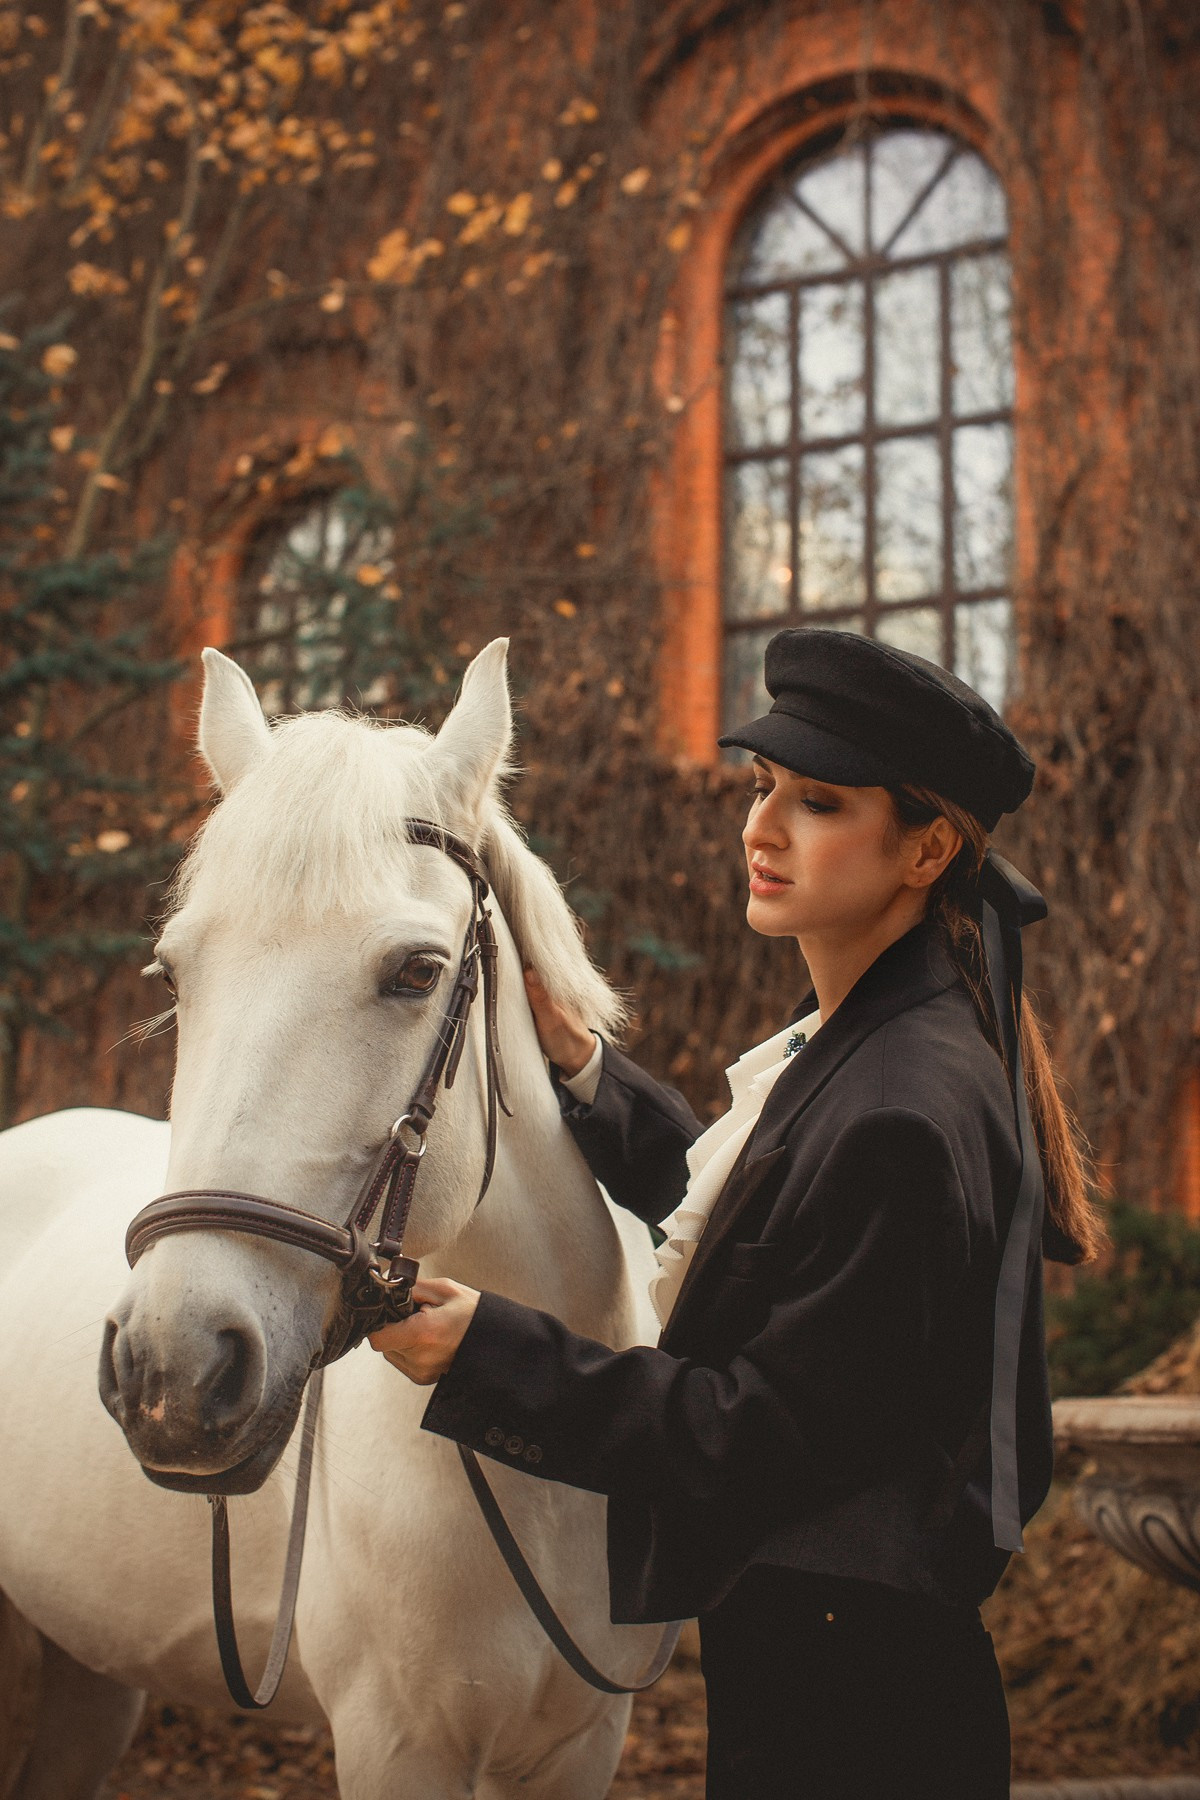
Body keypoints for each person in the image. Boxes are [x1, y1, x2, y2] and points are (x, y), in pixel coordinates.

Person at [369, 627, 1102, 1799]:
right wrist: (585, 1073)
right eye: (764, 788)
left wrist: (487, 1353)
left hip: (851, 1719)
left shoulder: (901, 1107)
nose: (760, 828)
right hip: (838, 1656)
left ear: (926, 849)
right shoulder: (884, 1042)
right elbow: (767, 1233)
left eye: (819, 803)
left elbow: (747, 1429)